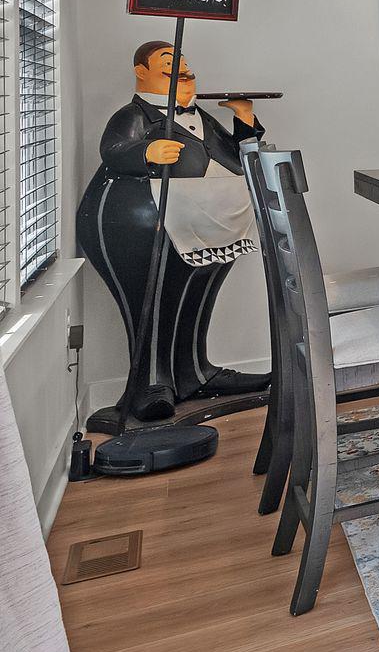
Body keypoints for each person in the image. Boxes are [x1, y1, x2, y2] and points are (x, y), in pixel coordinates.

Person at [77, 41, 267, 428]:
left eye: (185, 64)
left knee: (194, 297)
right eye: (169, 63)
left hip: (210, 224)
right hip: (143, 225)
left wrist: (245, 118)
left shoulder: (202, 117)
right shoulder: (134, 115)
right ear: (141, 72)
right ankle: (149, 383)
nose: (183, 70)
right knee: (153, 295)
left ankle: (193, 373)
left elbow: (239, 153)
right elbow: (114, 150)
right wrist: (146, 152)